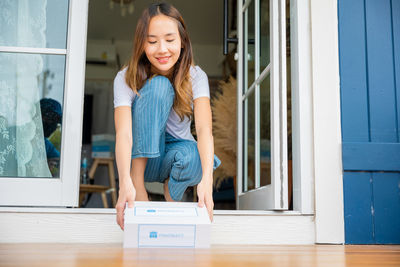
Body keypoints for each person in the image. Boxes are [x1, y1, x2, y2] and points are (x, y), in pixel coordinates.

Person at [114, 2, 221, 231]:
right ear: (142, 44)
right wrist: (125, 182)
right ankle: (138, 183)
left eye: (170, 40)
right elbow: (123, 133)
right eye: (152, 41)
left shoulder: (195, 76)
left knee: (197, 157)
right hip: (142, 156)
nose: (162, 49)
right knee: (160, 86)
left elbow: (204, 130)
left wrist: (207, 183)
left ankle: (173, 204)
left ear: (182, 41)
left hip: (173, 155)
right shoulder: (125, 77)